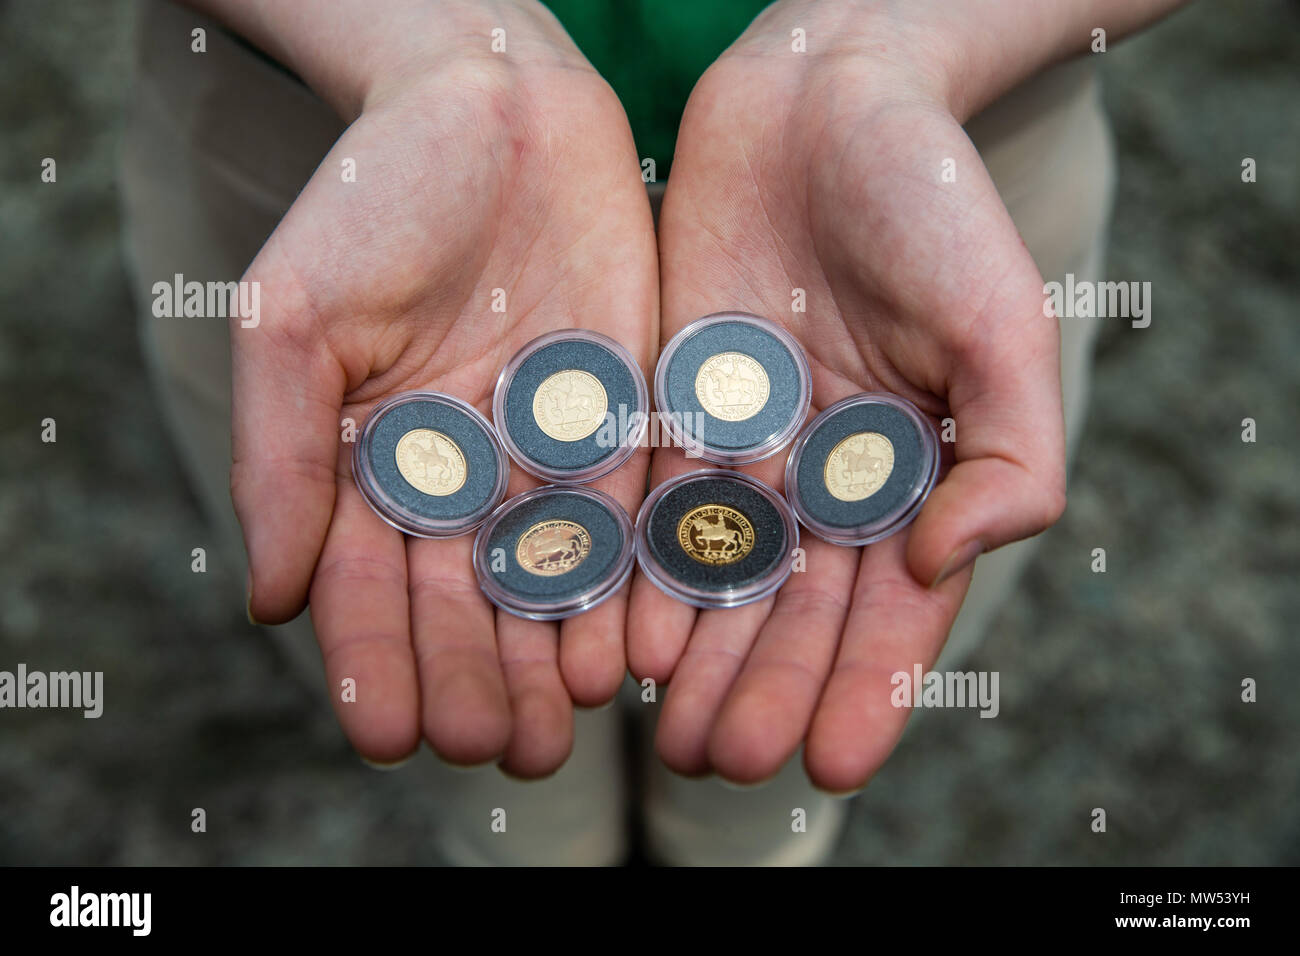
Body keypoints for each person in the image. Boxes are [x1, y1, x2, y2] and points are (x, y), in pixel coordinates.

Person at [120, 0, 1187, 864]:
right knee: (464, 698)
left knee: (785, 720)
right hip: (332, 137)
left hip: (952, 138)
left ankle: (752, 842)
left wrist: (881, 46)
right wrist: (429, 44)